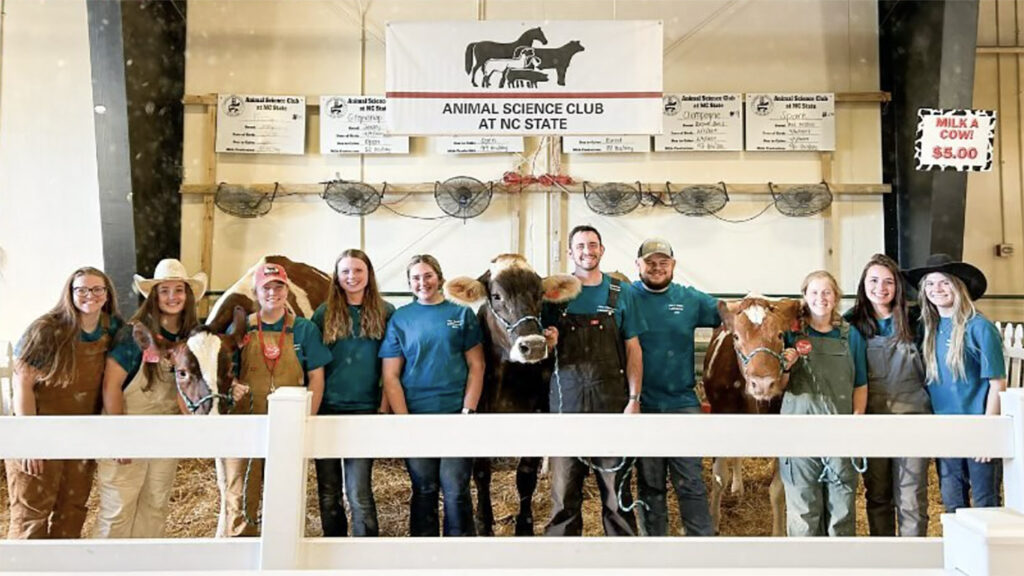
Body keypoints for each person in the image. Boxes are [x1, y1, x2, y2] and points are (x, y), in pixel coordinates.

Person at [543, 225, 646, 537]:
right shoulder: (553, 296)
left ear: (602, 250)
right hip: (566, 405)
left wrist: (634, 400)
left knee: (618, 498)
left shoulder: (621, 292)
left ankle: (622, 563)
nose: (587, 251)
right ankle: (562, 563)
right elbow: (537, 349)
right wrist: (549, 340)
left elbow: (633, 349)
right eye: (580, 246)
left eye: (592, 244)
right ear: (570, 253)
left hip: (612, 405)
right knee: (563, 497)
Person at [5, 267, 121, 539]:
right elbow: (22, 383)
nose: (89, 295)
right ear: (69, 293)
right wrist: (28, 440)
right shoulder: (47, 329)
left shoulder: (112, 329)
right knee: (31, 516)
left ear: (106, 294)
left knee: (72, 511)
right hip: (40, 433)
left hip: (80, 437)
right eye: (80, 289)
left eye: (96, 289)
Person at [94, 259, 206, 538]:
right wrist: (119, 436)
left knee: (155, 505)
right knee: (119, 508)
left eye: (178, 290)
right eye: (164, 290)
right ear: (153, 295)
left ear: (187, 295)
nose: (172, 297)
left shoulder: (192, 337)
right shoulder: (134, 334)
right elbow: (111, 385)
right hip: (128, 428)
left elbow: (189, 389)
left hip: (165, 433)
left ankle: (144, 565)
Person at [218, 262, 331, 537]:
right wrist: (233, 385)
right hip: (247, 422)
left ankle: (285, 547)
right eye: (266, 287)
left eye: (278, 287)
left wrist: (308, 418)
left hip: (289, 424)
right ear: (256, 292)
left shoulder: (304, 330)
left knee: (285, 490)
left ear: (286, 290)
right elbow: (224, 372)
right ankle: (240, 547)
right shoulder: (241, 327)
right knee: (241, 492)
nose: (273, 293)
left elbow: (316, 377)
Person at [379, 254, 484, 537]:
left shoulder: (461, 313)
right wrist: (403, 420)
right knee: (423, 489)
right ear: (409, 282)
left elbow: (477, 365)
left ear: (439, 277)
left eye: (428, 276)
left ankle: (459, 559)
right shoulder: (401, 319)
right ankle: (423, 558)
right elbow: (391, 375)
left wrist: (468, 411)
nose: (422, 282)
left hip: (455, 415)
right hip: (416, 415)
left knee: (456, 490)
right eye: (415, 278)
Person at [904, 253, 1006, 511]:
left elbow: (997, 383)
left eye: (944, 282)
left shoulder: (979, 327)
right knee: (952, 502)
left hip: (976, 426)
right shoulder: (930, 328)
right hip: (945, 428)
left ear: (958, 287)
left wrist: (987, 433)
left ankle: (986, 552)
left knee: (985, 503)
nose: (936, 289)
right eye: (930, 284)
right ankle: (958, 552)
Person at [631, 238, 718, 536]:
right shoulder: (627, 297)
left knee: (691, 481)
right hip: (642, 403)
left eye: (663, 262)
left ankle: (700, 547)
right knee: (650, 483)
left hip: (682, 401)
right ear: (637, 265)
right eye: (650, 262)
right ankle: (654, 550)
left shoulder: (690, 298)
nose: (657, 268)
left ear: (673, 265)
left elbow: (729, 314)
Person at [845, 254, 931, 537]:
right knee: (878, 494)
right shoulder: (850, 323)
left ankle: (914, 560)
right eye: (873, 280)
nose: (880, 288)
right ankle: (884, 558)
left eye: (888, 282)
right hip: (873, 419)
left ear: (897, 287)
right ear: (863, 284)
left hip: (913, 418)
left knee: (910, 496)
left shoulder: (917, 319)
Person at [311, 249, 394, 537]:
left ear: (369, 274)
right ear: (337, 276)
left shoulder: (385, 312)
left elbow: (391, 367)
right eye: (345, 271)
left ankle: (364, 553)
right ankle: (333, 550)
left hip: (365, 410)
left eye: (358, 270)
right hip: (328, 410)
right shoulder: (324, 313)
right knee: (329, 492)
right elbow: (313, 367)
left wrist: (383, 407)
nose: (352, 277)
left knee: (359, 491)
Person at [779, 270, 867, 537]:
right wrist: (786, 366)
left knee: (841, 511)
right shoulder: (790, 336)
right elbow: (780, 387)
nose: (821, 298)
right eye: (814, 292)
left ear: (836, 297)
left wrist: (857, 420)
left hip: (840, 434)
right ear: (804, 296)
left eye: (827, 292)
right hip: (799, 434)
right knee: (804, 511)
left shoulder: (850, 336)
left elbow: (860, 384)